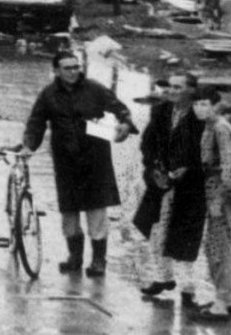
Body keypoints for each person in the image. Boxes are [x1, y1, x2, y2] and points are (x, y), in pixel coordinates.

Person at [20, 51, 135, 277]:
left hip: (95, 159)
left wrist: (125, 123)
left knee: (96, 210)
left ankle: (99, 260)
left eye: (76, 67)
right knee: (69, 211)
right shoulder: (48, 95)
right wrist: (28, 146)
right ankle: (75, 257)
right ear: (56, 70)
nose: (73, 72)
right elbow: (36, 123)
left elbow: (119, 108)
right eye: (67, 68)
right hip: (66, 161)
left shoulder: (94, 88)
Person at [133, 72, 207, 304]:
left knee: (184, 237)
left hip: (191, 185)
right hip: (160, 181)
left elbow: (207, 150)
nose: (172, 91)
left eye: (178, 87)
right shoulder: (161, 111)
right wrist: (154, 167)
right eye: (170, 87)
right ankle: (163, 277)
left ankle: (188, 289)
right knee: (156, 229)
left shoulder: (200, 115)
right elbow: (147, 143)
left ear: (191, 90)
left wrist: (189, 168)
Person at [189, 86, 231, 321]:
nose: (199, 109)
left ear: (215, 105)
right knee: (215, 246)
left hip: (220, 193)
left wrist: (219, 198)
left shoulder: (220, 128)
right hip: (211, 190)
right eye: (196, 104)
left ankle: (222, 302)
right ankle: (225, 298)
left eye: (204, 104)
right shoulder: (210, 127)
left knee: (218, 247)